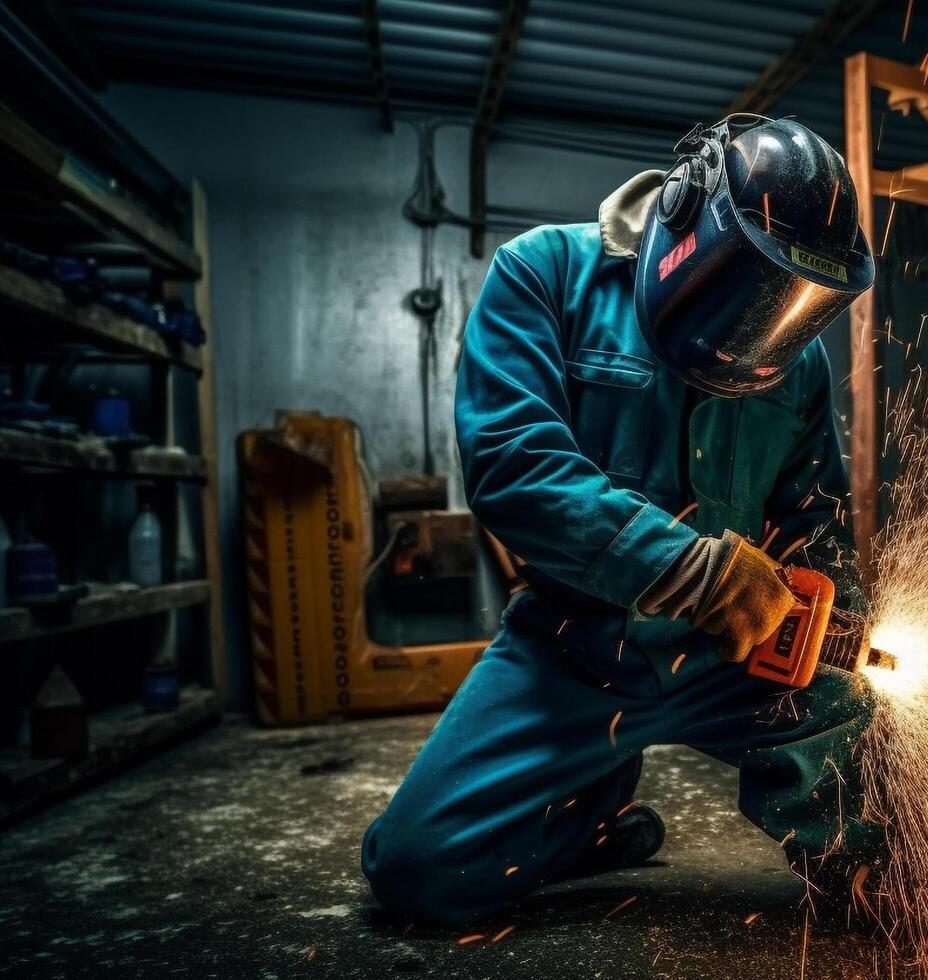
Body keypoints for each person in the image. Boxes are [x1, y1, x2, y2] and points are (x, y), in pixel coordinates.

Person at [361, 115, 883, 928]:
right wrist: (693, 571)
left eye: (794, 303)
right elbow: (514, 468)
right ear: (686, 227)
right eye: (755, 291)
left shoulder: (795, 355)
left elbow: (811, 517)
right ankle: (585, 814)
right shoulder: (543, 273)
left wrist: (835, 614)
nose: (767, 324)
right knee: (418, 876)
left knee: (902, 856)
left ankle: (865, 866)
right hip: (574, 649)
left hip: (734, 662)